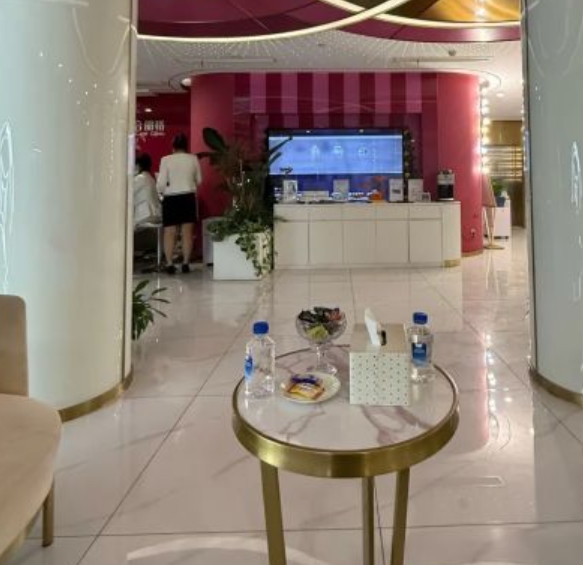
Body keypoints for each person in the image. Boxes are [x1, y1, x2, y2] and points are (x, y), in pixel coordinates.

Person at [156, 133, 202, 274]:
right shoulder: (193, 159)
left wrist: (162, 191)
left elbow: (161, 183)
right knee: (187, 232)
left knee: (169, 232)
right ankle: (186, 263)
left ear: (173, 146)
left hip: (171, 198)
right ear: (186, 146)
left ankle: (170, 264)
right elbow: (199, 180)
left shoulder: (166, 160)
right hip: (188, 197)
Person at [133, 153, 161, 228]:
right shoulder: (151, 178)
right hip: (155, 214)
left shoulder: (140, 178)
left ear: (138, 166)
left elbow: (128, 193)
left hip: (144, 215)